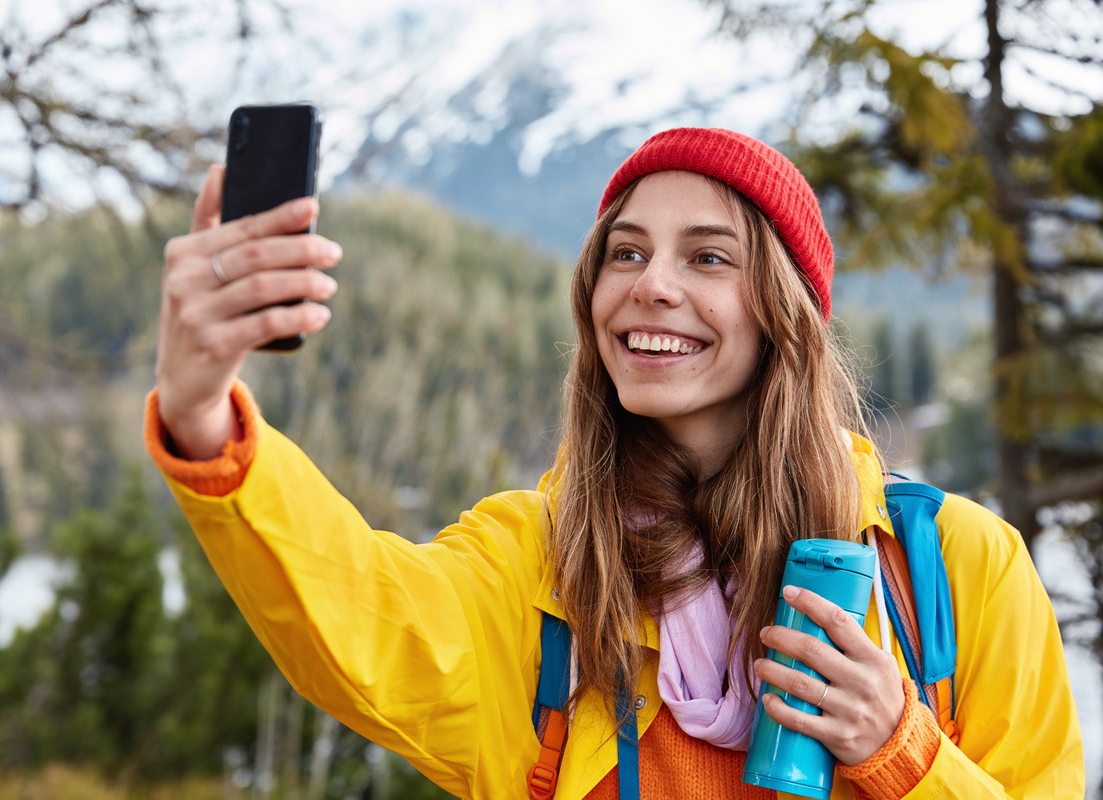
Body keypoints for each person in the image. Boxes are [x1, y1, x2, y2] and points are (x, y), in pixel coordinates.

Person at [146, 128, 1084, 799]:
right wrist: (201, 420)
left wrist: (902, 754)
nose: (651, 284)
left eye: (709, 257)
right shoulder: (536, 560)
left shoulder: (952, 567)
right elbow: (363, 617)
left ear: (785, 315)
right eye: (624, 252)